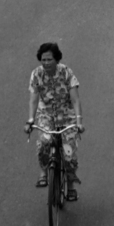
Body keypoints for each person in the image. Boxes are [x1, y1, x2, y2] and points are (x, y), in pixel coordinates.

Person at [26, 41, 83, 202]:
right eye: (43, 60)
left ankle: (70, 187)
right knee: (44, 141)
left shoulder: (66, 73)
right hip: (46, 115)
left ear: (56, 59)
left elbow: (76, 100)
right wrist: (30, 120)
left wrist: (79, 121)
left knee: (68, 153)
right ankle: (44, 172)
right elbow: (33, 99)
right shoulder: (36, 74)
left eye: (49, 59)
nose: (46, 63)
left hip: (67, 115)